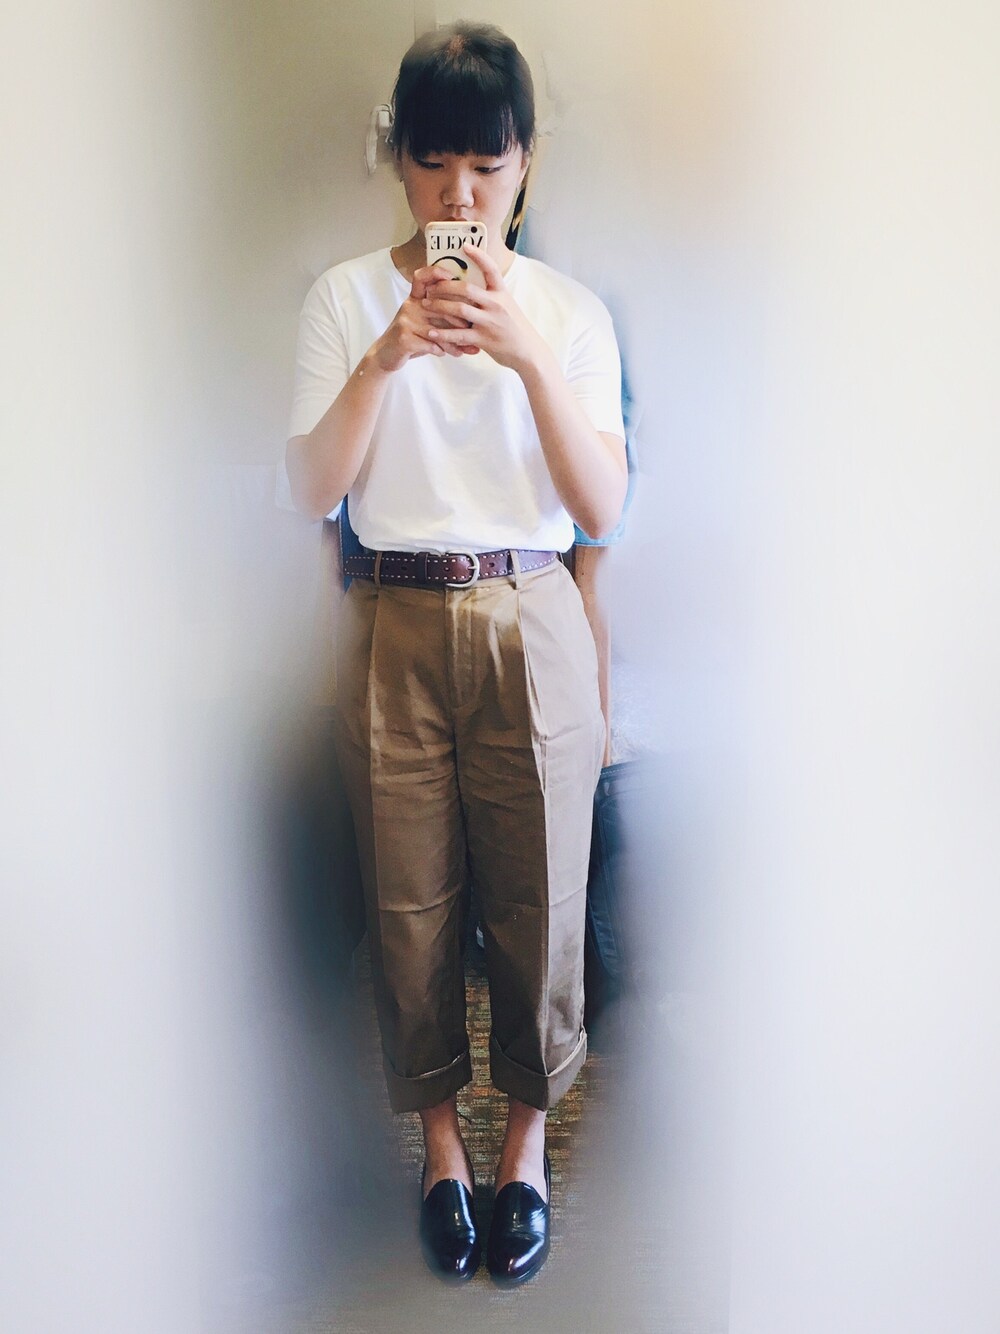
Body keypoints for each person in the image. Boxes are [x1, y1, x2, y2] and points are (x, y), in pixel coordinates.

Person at [286, 21, 626, 1285]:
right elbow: (307, 490)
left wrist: (523, 350)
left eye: (486, 165)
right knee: (409, 902)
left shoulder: (572, 315)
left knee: (543, 899)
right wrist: (387, 356)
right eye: (434, 164)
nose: (460, 197)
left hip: (531, 604)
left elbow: (600, 506)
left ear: (525, 162)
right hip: (391, 611)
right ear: (401, 164)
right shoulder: (343, 298)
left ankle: (522, 1149)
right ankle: (442, 1148)